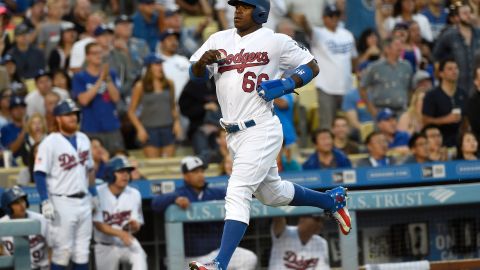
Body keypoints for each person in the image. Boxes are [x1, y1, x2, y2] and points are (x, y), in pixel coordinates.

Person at [188, 0, 351, 269]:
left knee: (238, 190)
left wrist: (288, 83)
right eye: (236, 6)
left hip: (261, 127)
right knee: (271, 194)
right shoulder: (218, 38)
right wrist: (201, 64)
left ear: (261, 11)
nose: (237, 10)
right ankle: (330, 199)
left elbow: (312, 66)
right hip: (233, 133)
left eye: (245, 6)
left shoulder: (275, 41)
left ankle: (220, 263)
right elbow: (194, 74)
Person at [152, 156, 258, 270]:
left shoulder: (214, 192)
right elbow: (155, 204)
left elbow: (242, 194)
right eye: (195, 172)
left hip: (216, 252)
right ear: (185, 175)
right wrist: (175, 198)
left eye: (202, 171)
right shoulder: (180, 193)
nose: (200, 175)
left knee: (249, 258)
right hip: (192, 259)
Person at [33, 98, 97, 270]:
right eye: (68, 114)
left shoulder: (84, 138)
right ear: (58, 118)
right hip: (62, 201)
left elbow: (89, 169)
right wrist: (45, 201)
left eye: (75, 114)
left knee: (82, 251)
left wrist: (94, 193)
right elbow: (39, 173)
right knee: (63, 252)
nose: (73, 118)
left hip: (84, 201)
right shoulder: (50, 142)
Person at [93, 156, 147, 270]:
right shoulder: (98, 192)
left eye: (127, 172)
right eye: (121, 171)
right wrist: (121, 234)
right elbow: (99, 224)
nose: (125, 175)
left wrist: (134, 226)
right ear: (110, 174)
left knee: (139, 255)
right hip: (105, 245)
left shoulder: (134, 193)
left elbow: (137, 224)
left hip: (126, 242)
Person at [72, 42, 125, 154]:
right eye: (94, 53)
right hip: (91, 128)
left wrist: (108, 79)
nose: (98, 56)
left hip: (112, 127)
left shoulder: (111, 74)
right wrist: (100, 80)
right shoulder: (80, 77)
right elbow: (84, 100)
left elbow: (116, 98)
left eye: (100, 53)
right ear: (87, 56)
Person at [127, 53, 181, 158]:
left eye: (161, 64)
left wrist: (177, 123)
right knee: (154, 163)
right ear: (148, 67)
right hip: (150, 130)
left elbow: (173, 106)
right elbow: (131, 111)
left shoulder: (169, 84)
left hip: (168, 128)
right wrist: (140, 129)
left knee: (168, 164)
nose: (160, 67)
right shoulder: (140, 86)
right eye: (156, 64)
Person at [360, 37, 413, 117]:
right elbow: (362, 88)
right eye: (396, 45)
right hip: (381, 110)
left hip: (401, 110)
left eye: (401, 45)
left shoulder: (407, 66)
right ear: (387, 49)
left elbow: (411, 89)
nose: (400, 47)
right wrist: (371, 109)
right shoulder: (375, 67)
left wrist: (409, 106)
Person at [0, 186, 50, 270]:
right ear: (7, 207)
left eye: (22, 201)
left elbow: (52, 247)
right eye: (16, 203)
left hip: (41, 267)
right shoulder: (2, 224)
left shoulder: (41, 220)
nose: (21, 205)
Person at [422, 58, 466, 147]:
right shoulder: (432, 95)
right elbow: (425, 120)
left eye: (456, 68)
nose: (454, 71)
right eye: (450, 69)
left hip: (459, 142)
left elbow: (466, 117)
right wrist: (444, 120)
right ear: (441, 73)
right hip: (439, 143)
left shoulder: (463, 94)